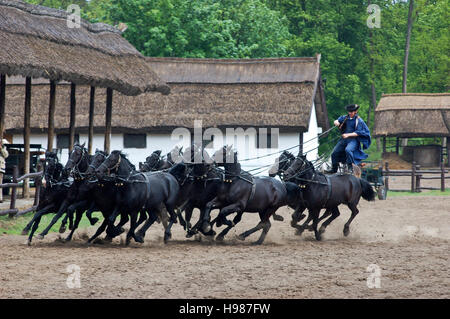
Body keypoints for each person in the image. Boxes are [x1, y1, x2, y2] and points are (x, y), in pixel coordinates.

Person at [326, 104, 371, 174]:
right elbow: (336, 120)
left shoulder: (359, 121)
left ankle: (350, 167)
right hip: (344, 140)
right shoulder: (345, 118)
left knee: (348, 150)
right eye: (349, 111)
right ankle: (334, 169)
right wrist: (336, 122)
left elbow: (358, 133)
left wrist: (347, 135)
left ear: (355, 111)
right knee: (334, 153)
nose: (350, 113)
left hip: (353, 140)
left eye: (351, 112)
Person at [0, 138, 9, 202]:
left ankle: (0, 198)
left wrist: (1, 148)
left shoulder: (3, 148)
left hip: (0, 168)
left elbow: (6, 155)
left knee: (0, 184)